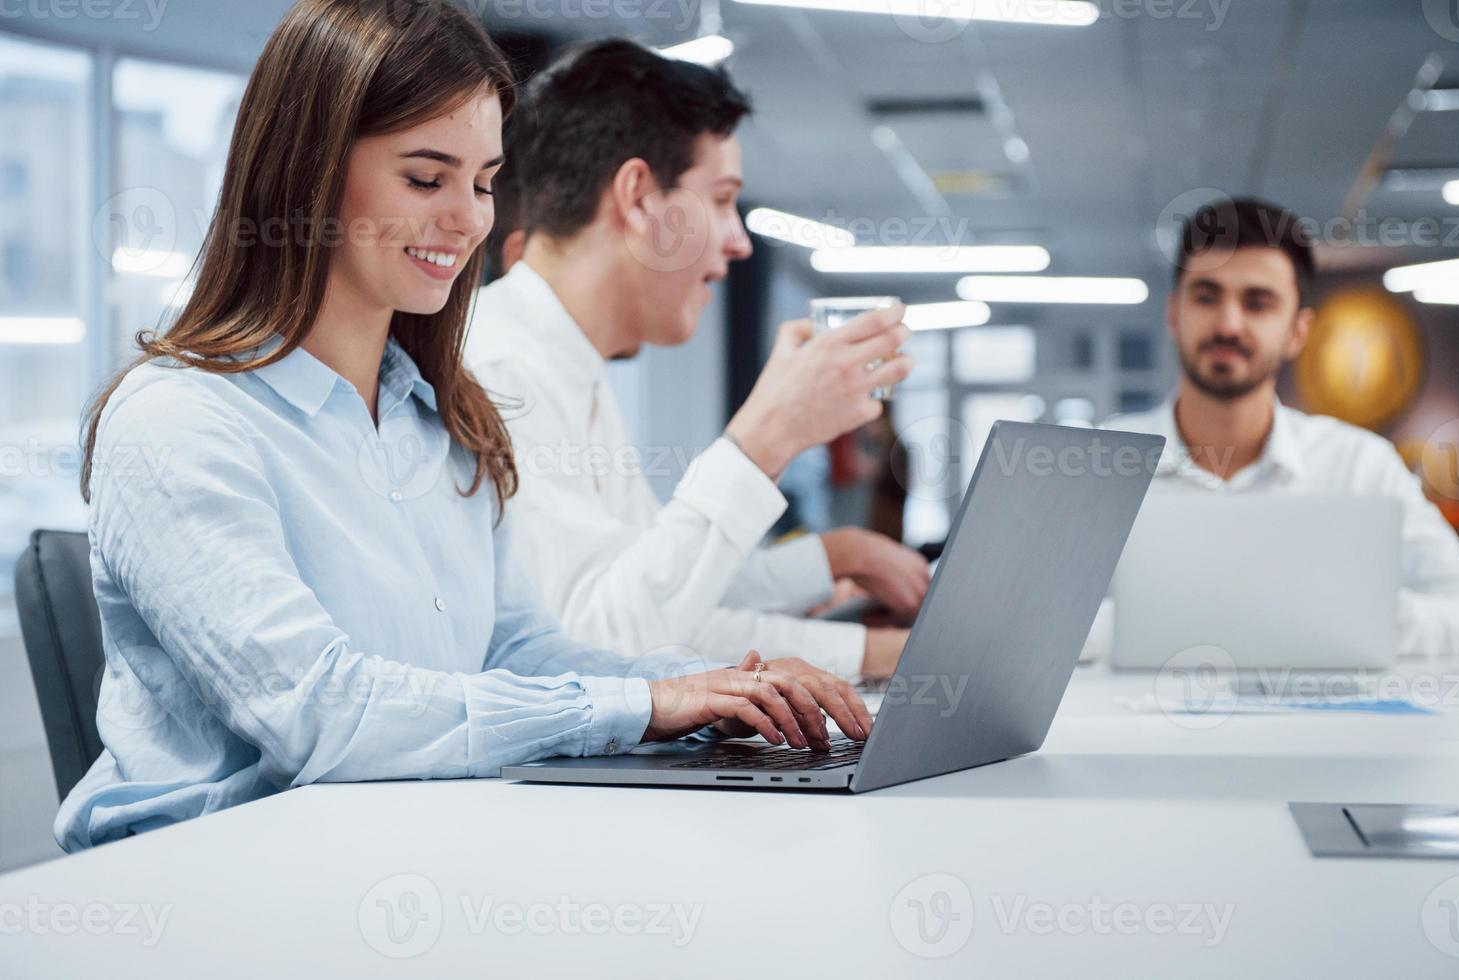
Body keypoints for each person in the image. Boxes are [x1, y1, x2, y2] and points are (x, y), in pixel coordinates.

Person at [57, 0, 869, 851]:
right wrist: (644, 706)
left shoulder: (443, 421)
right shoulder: (178, 423)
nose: (471, 218)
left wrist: (712, 686)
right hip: (218, 880)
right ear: (308, 174)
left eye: (483, 182)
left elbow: (516, 646)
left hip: (407, 849)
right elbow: (319, 715)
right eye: (425, 177)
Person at [464, 39, 928, 681]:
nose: (738, 241)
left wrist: (838, 576)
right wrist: (767, 436)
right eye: (719, 199)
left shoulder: (565, 361)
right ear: (638, 196)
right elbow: (602, 645)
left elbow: (667, 604)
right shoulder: (503, 367)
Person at [1100, 198, 1459, 656]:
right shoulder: (1101, 466)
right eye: (1207, 296)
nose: (1229, 324)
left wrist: (1365, 617)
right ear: (1173, 313)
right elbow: (1034, 626)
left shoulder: (1359, 466)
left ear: (1298, 330)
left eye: (1258, 303)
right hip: (1131, 728)